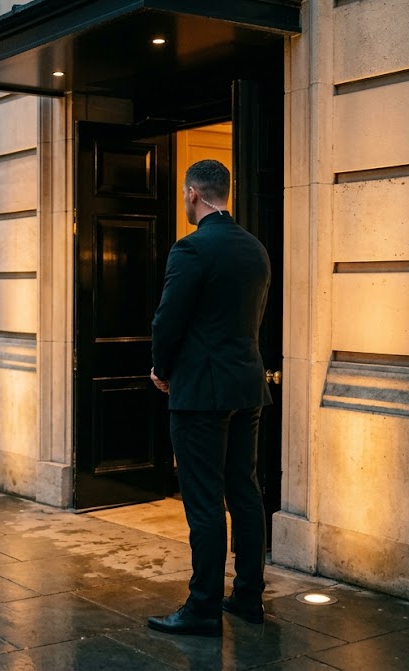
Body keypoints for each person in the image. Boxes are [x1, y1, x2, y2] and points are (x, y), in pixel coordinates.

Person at [147, 159, 272, 637]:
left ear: (194, 195)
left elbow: (167, 319)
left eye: (184, 196)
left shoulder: (192, 249)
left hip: (201, 392)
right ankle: (247, 597)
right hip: (247, 386)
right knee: (244, 491)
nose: (184, 202)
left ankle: (202, 607)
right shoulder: (255, 249)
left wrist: (162, 368)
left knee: (203, 501)